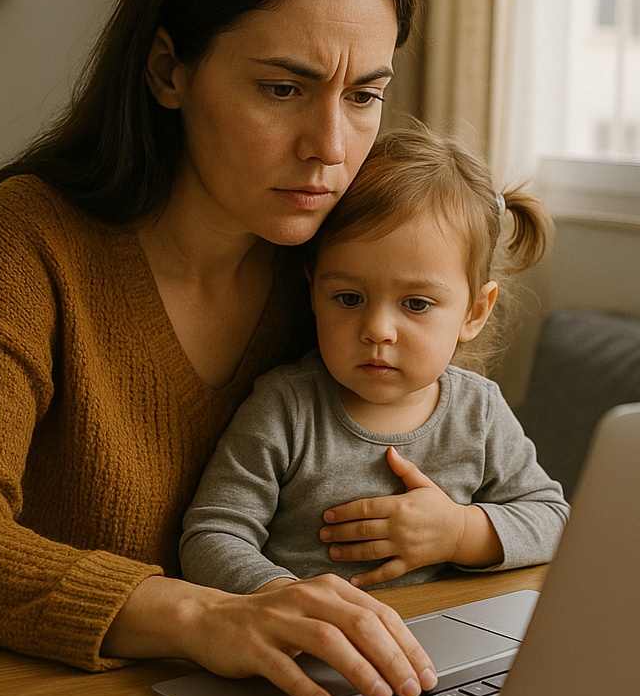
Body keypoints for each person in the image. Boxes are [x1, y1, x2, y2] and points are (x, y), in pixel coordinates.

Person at [0, 0, 438, 696]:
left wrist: (457, 522)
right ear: (169, 69)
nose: (330, 146)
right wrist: (199, 614)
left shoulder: (344, 263)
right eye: (283, 88)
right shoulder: (31, 236)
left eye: (364, 95)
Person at [180, 127, 569, 594]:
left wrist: (460, 533)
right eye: (348, 298)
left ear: (474, 313)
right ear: (312, 291)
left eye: (417, 304)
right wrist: (279, 596)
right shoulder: (286, 409)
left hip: (440, 641)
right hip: (313, 646)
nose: (378, 330)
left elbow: (552, 519)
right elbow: (211, 535)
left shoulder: (479, 413)